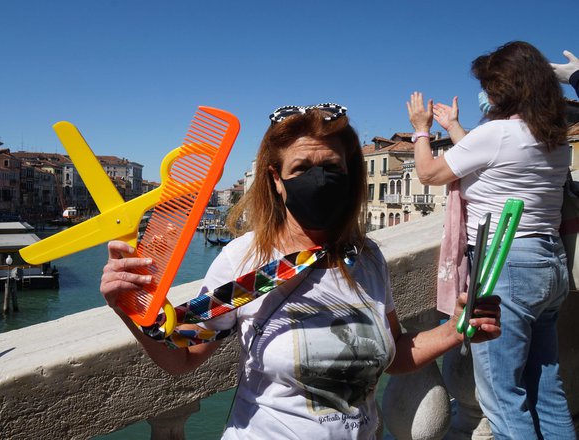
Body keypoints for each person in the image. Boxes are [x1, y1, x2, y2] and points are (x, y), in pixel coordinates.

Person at [101, 103, 501, 439]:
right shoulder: (243, 261)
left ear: (350, 176)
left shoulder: (367, 258)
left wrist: (457, 328)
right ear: (276, 180)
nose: (319, 179)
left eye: (332, 167)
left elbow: (393, 352)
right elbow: (182, 360)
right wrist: (131, 308)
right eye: (301, 168)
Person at [407, 41, 575, 439]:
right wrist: (453, 129)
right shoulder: (554, 137)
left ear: (505, 88)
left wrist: (421, 130)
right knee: (546, 388)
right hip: (549, 261)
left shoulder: (498, 134)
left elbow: (431, 173)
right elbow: (488, 161)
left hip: (505, 265)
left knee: (502, 398)